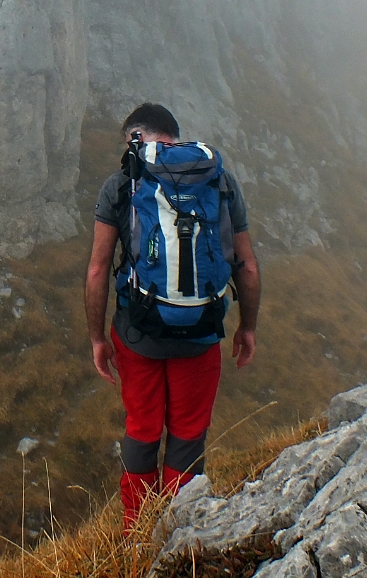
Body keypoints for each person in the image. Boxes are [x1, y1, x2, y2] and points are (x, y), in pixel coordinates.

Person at [84, 103, 261, 532]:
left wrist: (97, 338)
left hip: (136, 335)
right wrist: (248, 327)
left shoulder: (121, 181)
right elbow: (248, 266)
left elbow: (97, 270)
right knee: (187, 435)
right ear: (174, 137)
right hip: (200, 336)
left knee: (142, 428)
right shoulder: (218, 178)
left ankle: (137, 534)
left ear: (134, 138)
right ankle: (180, 534)